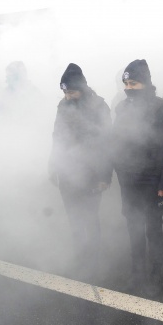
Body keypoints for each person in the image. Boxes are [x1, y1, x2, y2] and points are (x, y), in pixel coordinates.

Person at [112, 59, 163, 296]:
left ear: (146, 83)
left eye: (134, 83)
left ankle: (157, 275)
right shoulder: (122, 108)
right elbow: (116, 142)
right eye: (126, 83)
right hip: (129, 179)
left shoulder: (162, 107)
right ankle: (137, 274)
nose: (129, 88)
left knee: (152, 228)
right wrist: (117, 171)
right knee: (133, 228)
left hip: (153, 181)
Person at [48, 63, 112, 280]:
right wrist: (53, 165)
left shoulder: (99, 106)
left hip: (91, 172)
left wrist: (104, 176)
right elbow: (57, 136)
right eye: (65, 92)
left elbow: (107, 142)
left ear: (82, 89)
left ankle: (93, 260)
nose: (67, 96)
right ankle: (80, 256)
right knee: (74, 217)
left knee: (90, 217)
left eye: (71, 92)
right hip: (67, 171)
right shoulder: (63, 105)